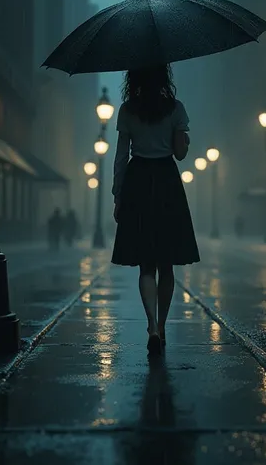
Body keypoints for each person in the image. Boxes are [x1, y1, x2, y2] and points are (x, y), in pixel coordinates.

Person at [111, 64, 200, 355]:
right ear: (164, 77)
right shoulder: (176, 109)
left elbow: (121, 156)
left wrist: (118, 195)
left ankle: (149, 325)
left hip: (138, 181)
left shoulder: (127, 110)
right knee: (167, 262)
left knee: (146, 264)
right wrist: (182, 136)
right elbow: (180, 154)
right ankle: (162, 327)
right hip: (166, 182)